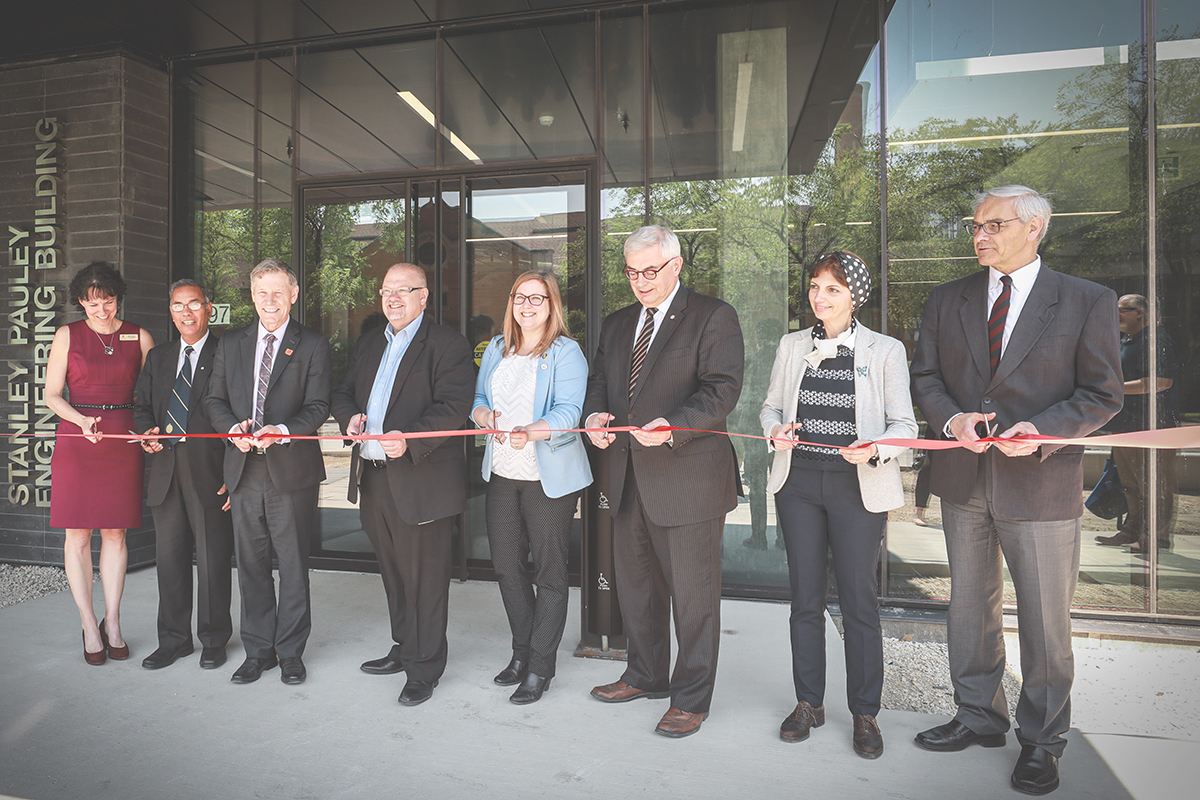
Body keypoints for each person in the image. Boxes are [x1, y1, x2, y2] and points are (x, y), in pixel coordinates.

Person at [910, 185, 1122, 795]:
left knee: (1044, 621)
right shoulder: (948, 298)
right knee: (969, 609)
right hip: (964, 478)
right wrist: (951, 420)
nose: (980, 234)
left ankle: (1043, 740)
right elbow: (926, 375)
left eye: (993, 224)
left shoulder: (1087, 300)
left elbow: (1104, 393)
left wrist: (1046, 429)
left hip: (1042, 482)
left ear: (1035, 228)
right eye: (975, 225)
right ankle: (978, 717)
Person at [583, 225, 744, 738]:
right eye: (631, 271)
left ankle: (691, 698)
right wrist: (594, 419)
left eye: (650, 270)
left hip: (688, 479)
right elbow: (599, 384)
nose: (640, 281)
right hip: (627, 476)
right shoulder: (616, 324)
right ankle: (645, 674)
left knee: (693, 599)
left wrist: (673, 427)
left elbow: (722, 391)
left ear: (675, 266)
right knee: (637, 590)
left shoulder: (712, 315)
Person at [760, 251, 918, 759]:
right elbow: (770, 407)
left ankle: (865, 712)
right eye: (814, 287)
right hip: (799, 483)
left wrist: (875, 447)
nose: (819, 297)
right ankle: (809, 702)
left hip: (857, 488)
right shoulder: (791, 346)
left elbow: (906, 429)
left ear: (855, 296)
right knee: (804, 598)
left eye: (831, 288)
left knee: (858, 600)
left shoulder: (886, 350)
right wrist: (774, 430)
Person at [331, 263, 475, 707]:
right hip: (374, 479)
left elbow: (454, 408)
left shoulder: (448, 344)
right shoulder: (371, 342)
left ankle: (424, 668)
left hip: (421, 478)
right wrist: (349, 417)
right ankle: (404, 646)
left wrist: (408, 442)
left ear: (424, 296)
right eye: (386, 291)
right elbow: (344, 393)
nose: (393, 298)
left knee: (426, 578)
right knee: (394, 573)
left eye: (404, 290)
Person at [205, 259, 332, 686]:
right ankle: (259, 650)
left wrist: (283, 430)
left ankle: (291, 652)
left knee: (293, 564)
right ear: (252, 296)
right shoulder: (231, 343)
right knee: (251, 565)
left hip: (290, 468)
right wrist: (231, 430)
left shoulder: (312, 343)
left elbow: (318, 406)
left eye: (278, 292)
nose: (270, 301)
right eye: (262, 293)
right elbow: (214, 400)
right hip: (243, 467)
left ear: (293, 295)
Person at [471, 270, 592, 704]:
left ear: (551, 305)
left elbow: (569, 411)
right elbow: (478, 401)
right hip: (503, 471)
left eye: (536, 299)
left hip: (548, 478)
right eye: (520, 298)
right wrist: (484, 418)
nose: (527, 306)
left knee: (550, 573)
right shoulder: (497, 349)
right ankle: (521, 651)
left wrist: (533, 430)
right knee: (506, 565)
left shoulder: (565, 352)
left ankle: (540, 667)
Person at [46, 261, 154, 665]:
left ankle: (114, 621)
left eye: (108, 301)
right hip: (78, 436)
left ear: (117, 299)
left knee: (115, 534)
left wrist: (150, 431)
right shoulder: (66, 335)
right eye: (93, 304)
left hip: (123, 436)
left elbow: (152, 392)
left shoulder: (139, 335)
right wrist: (79, 420)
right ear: (81, 302)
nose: (102, 311)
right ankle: (89, 623)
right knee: (77, 536)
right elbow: (52, 395)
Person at [133, 280, 235, 670]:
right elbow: (141, 407)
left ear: (209, 308)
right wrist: (147, 433)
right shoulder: (158, 357)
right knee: (170, 560)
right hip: (165, 471)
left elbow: (235, 409)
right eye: (178, 305)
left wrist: (233, 470)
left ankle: (213, 639)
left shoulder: (226, 351)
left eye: (194, 304)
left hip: (210, 472)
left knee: (212, 559)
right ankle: (174, 640)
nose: (186, 313)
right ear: (170, 311)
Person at [1095, 294, 1178, 552]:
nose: (1116, 314)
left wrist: (1113, 389)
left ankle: (1157, 538)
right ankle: (1132, 531)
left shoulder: (1158, 341)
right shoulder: (1126, 340)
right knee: (1131, 484)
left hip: (1152, 427)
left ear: (1140, 313)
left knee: (1154, 485)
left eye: (1122, 310)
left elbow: (1161, 382)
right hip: (1126, 426)